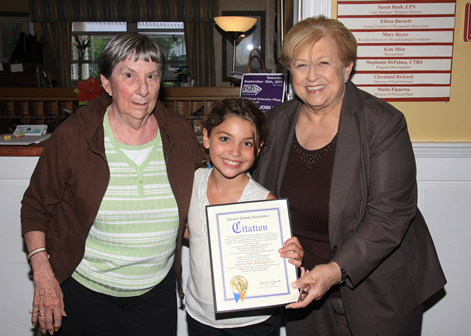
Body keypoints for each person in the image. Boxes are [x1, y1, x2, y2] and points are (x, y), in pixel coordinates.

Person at [252, 16, 446, 336]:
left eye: (323, 62)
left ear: (347, 68)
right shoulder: (276, 122)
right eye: (301, 65)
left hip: (380, 292)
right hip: (306, 290)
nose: (311, 76)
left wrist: (335, 270)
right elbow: (257, 194)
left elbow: (389, 216)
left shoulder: (382, 123)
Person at [21, 32, 204, 335]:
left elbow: (203, 200)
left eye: (152, 76)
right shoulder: (73, 136)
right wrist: (43, 273)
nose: (142, 90)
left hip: (154, 295)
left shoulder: (180, 133)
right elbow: (35, 207)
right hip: (85, 293)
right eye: (129, 75)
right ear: (106, 82)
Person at [184, 98, 304, 335]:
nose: (235, 151)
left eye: (247, 143)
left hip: (253, 323)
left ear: (258, 150)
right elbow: (193, 232)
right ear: (206, 138)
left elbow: (280, 262)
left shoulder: (265, 203)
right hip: (200, 318)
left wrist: (292, 256)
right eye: (225, 138)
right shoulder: (192, 182)